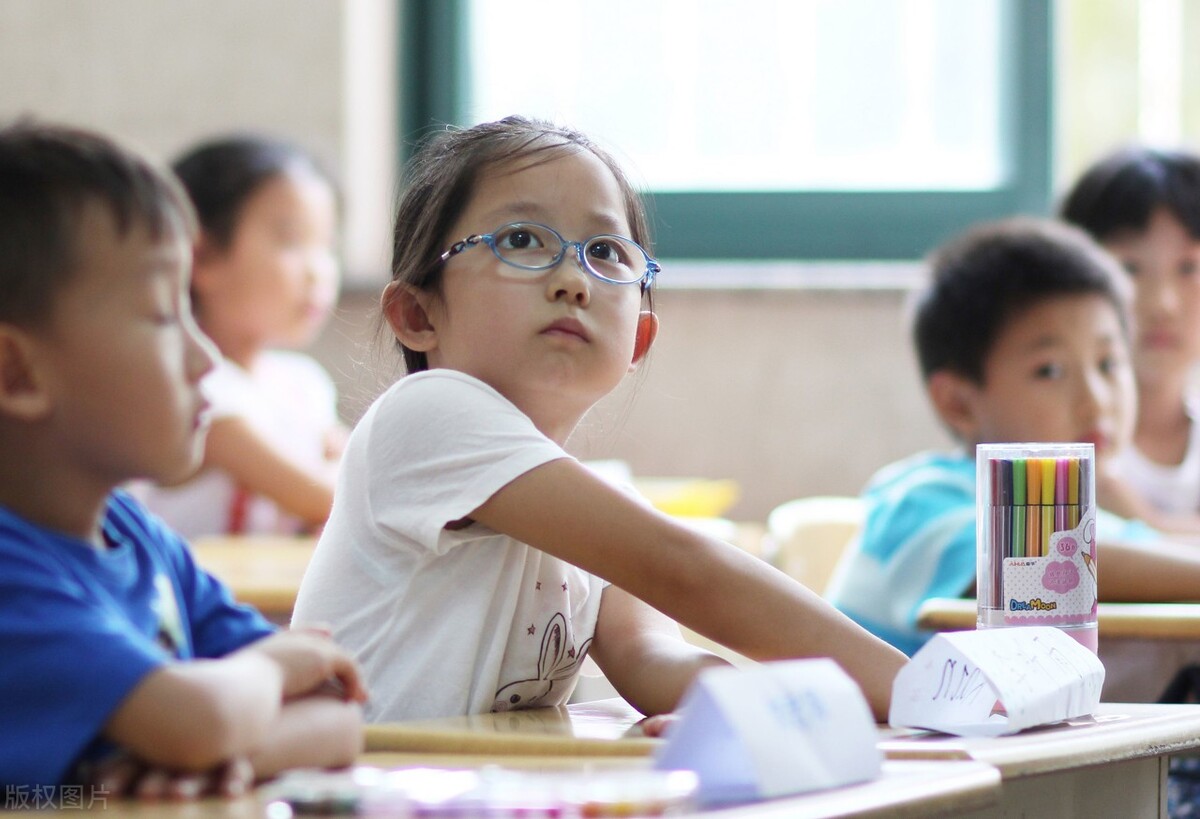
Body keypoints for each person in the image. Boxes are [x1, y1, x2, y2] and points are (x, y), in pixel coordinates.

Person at [291, 116, 907, 724]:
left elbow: (651, 656)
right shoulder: (425, 415)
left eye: (605, 252)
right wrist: (918, 691)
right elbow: (684, 570)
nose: (571, 281)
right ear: (418, 315)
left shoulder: (600, 504)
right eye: (521, 240)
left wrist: (738, 709)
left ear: (638, 340)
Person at [0, 121, 366, 795]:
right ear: (17, 374)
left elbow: (337, 710)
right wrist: (276, 665)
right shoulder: (12, 567)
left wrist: (233, 755)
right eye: (164, 316)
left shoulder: (139, 539)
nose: (204, 358)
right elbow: (197, 717)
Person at [826, 216, 1200, 658]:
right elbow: (1034, 564)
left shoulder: (1098, 518)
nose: (1095, 400)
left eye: (1108, 364)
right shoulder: (916, 499)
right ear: (958, 403)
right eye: (1050, 371)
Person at [131, 135, 344, 538]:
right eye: (292, 241)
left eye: (327, 246)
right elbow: (335, 496)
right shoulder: (195, 387)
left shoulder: (303, 382)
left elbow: (364, 475)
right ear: (203, 256)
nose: (319, 271)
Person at [1062, 147, 1200, 537]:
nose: (1162, 304)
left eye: (1189, 267)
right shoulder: (1060, 444)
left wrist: (1146, 521)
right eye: (1129, 268)